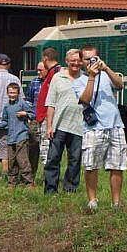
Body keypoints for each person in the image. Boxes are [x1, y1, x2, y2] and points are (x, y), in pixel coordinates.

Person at [76, 45, 127, 212]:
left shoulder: (106, 76)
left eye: (94, 58)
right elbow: (85, 99)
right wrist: (91, 76)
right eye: (87, 59)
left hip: (115, 125)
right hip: (94, 128)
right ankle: (92, 201)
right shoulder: (79, 81)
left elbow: (120, 85)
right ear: (82, 62)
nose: (91, 61)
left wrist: (106, 69)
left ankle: (116, 203)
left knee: (117, 166)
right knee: (91, 166)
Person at [43, 49, 84, 195]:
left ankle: (70, 189)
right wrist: (49, 126)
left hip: (78, 126)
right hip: (59, 125)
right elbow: (51, 103)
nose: (76, 63)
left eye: (79, 61)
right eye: (73, 60)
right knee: (53, 159)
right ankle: (50, 190)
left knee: (75, 160)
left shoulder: (85, 78)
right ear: (67, 61)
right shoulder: (57, 77)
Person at [0, 82, 35, 186]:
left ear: (18, 93)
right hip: (11, 138)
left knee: (23, 160)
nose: (12, 95)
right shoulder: (6, 106)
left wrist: (25, 113)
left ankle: (28, 183)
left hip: (21, 136)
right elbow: (5, 121)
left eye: (14, 93)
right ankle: (12, 183)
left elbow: (33, 114)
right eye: (10, 92)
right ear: (7, 93)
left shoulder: (22, 104)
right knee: (12, 161)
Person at [34, 47, 63, 167]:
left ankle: (49, 178)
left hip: (47, 117)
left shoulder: (55, 73)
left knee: (46, 148)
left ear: (45, 59)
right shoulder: (53, 72)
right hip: (44, 116)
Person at [26, 61, 47, 174]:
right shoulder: (34, 82)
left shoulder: (52, 82)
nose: (38, 72)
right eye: (37, 70)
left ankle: (46, 177)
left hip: (47, 120)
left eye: (41, 70)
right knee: (32, 149)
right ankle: (30, 176)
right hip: (34, 119)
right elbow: (29, 100)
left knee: (46, 150)